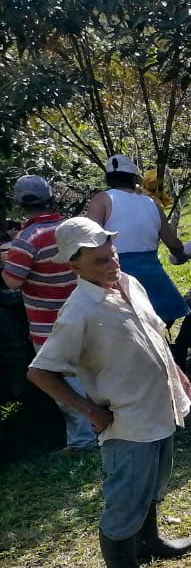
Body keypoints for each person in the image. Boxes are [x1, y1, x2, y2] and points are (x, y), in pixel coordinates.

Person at [27, 218, 191, 568]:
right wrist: (89, 410)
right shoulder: (78, 311)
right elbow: (41, 372)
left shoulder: (129, 284)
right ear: (74, 266)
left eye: (112, 253)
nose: (112, 263)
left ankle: (148, 541)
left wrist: (178, 375)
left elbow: (154, 335)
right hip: (126, 418)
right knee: (126, 492)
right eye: (100, 260)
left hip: (160, 406)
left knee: (154, 481)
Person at [1, 175, 97, 450]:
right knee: (94, 372)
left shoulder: (25, 239)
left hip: (49, 325)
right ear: (51, 199)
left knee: (66, 384)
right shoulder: (71, 229)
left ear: (19, 204)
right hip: (86, 311)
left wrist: (7, 260)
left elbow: (12, 281)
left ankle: (83, 440)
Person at [85, 153, 191, 326]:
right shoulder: (151, 203)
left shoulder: (102, 199)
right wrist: (181, 254)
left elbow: (88, 237)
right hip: (152, 279)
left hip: (117, 278)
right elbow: (172, 243)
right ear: (135, 178)